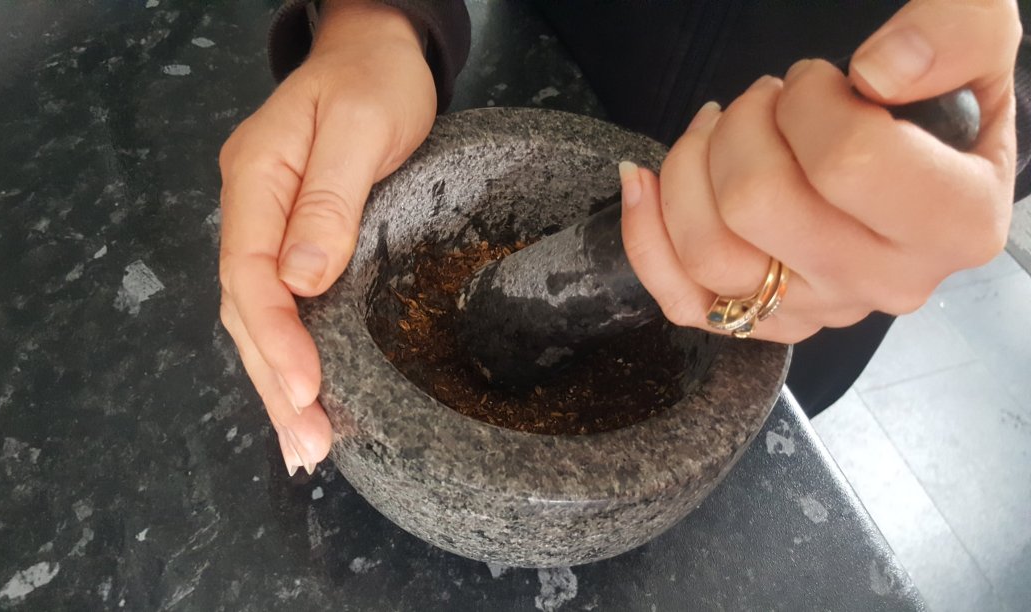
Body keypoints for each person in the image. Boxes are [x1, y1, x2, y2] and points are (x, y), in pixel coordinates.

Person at [217, 0, 1028, 476]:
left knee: (726, 447)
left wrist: (1009, 107)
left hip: (823, 263)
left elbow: (992, 89)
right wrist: (378, 17)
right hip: (548, 46)